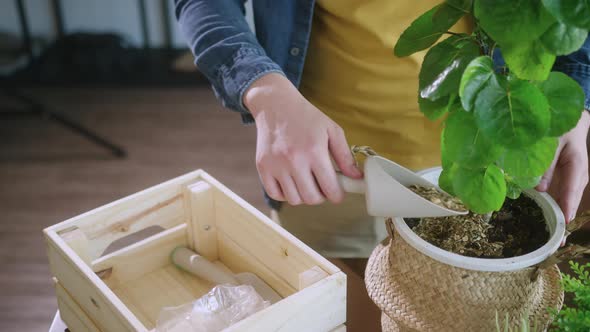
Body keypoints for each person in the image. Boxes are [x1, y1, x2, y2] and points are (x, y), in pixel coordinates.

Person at [174, 0, 590, 270]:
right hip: (323, 164)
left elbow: (568, 15)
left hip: (476, 166)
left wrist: (577, 101)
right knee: (330, 303)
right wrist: (264, 90)